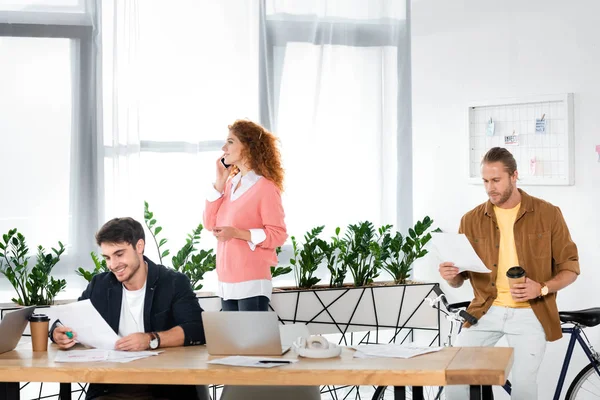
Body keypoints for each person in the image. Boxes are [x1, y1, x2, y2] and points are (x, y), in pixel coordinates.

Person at [440, 147, 579, 400]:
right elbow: (460, 280)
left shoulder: (548, 214)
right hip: (485, 310)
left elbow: (571, 268)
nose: (490, 187)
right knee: (455, 373)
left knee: (524, 386)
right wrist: (451, 275)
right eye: (485, 181)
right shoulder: (470, 220)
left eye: (496, 180)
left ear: (514, 176)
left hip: (530, 311)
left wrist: (542, 288)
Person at [49, 217, 207, 400]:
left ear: (139, 247)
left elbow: (197, 328)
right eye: (107, 257)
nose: (113, 265)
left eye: (119, 254)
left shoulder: (173, 282)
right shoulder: (100, 284)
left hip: (164, 386)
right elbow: (69, 320)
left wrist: (151, 339)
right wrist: (58, 333)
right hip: (110, 386)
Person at [203, 119, 287, 312]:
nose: (224, 148)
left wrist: (236, 233)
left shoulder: (265, 187)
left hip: (252, 281)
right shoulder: (230, 185)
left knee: (252, 342)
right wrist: (219, 183)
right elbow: (209, 223)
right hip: (226, 281)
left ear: (248, 147)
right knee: (234, 343)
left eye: (231, 142)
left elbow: (278, 235)